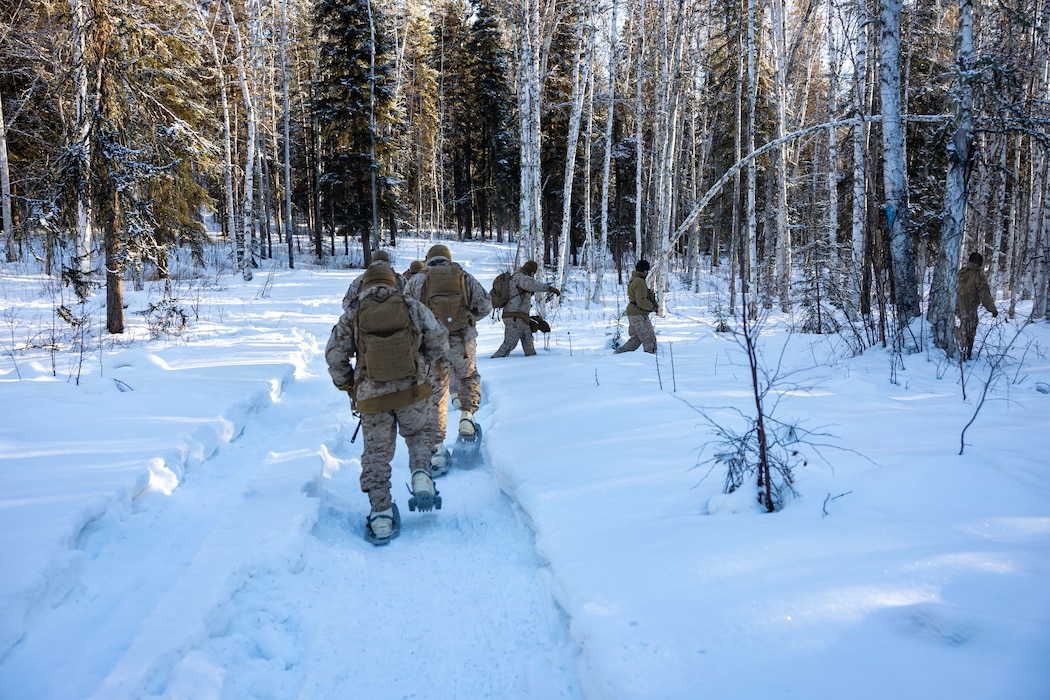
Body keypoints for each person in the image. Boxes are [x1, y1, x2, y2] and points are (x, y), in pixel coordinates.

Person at [325, 263, 450, 545]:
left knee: (377, 454)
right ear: (395, 282)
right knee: (419, 435)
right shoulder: (411, 306)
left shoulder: (353, 314)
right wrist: (423, 363)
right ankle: (421, 476)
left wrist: (349, 385)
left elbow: (335, 357)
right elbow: (441, 341)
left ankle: (381, 515)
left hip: (372, 399)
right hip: (412, 391)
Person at [405, 244, 492, 472]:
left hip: (432, 346)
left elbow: (405, 313)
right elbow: (485, 305)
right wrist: (468, 319)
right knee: (468, 377)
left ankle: (437, 451)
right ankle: (466, 418)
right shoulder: (463, 277)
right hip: (462, 341)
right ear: (447, 258)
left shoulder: (417, 281)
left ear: (428, 260)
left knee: (436, 395)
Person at [490, 260, 560, 358]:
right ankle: (495, 360)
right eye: (533, 273)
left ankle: (532, 361)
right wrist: (549, 288)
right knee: (509, 344)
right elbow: (534, 285)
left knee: (528, 341)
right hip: (514, 318)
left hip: (520, 317)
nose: (533, 275)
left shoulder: (518, 277)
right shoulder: (521, 278)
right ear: (531, 271)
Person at [956, 251, 998, 361]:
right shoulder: (978, 275)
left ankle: (960, 346)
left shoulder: (961, 272)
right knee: (969, 330)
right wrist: (992, 309)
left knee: (964, 328)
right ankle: (964, 354)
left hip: (956, 305)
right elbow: (984, 295)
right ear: (980, 263)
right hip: (968, 307)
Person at [614, 259, 657, 354]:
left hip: (633, 313)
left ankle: (617, 355)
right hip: (638, 314)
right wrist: (653, 307)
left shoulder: (634, 279)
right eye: (647, 270)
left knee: (635, 340)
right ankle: (651, 362)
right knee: (649, 340)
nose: (647, 272)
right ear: (644, 270)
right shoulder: (640, 282)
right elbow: (641, 301)